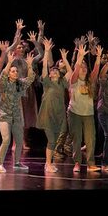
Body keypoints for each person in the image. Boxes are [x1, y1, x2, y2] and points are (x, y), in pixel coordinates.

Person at [0, 50, 36, 173]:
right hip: (4, 115)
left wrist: (29, 64)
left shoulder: (20, 84)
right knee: (6, 139)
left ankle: (17, 163)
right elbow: (3, 74)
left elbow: (30, 78)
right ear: (9, 73)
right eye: (13, 71)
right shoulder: (3, 84)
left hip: (17, 115)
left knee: (19, 140)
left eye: (16, 71)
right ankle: (0, 164)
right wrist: (9, 62)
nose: (15, 72)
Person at [37, 40, 70, 173]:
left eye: (57, 71)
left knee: (55, 140)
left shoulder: (62, 83)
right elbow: (44, 66)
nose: (54, 72)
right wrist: (46, 51)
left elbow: (71, 71)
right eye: (52, 71)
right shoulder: (47, 83)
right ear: (49, 75)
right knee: (51, 140)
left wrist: (66, 59)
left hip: (59, 115)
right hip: (47, 116)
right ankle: (48, 164)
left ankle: (48, 163)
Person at [68, 44, 102, 174]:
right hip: (74, 112)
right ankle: (77, 163)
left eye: (85, 67)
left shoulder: (90, 80)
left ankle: (90, 163)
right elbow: (76, 69)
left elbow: (96, 69)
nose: (83, 68)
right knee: (76, 138)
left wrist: (98, 57)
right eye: (80, 67)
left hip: (88, 113)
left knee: (90, 138)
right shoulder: (74, 79)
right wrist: (80, 56)